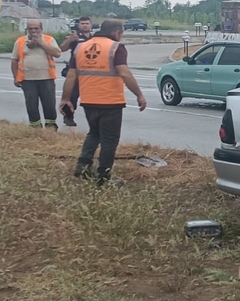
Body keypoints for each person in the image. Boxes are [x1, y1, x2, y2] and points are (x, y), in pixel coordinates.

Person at [60, 19, 147, 186]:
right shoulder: (116, 47)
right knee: (109, 140)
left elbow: (71, 76)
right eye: (121, 33)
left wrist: (65, 99)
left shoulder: (81, 47)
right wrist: (139, 95)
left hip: (88, 100)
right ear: (117, 32)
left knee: (94, 133)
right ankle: (103, 177)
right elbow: (125, 73)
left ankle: (83, 166)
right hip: (110, 101)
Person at [11, 19, 61, 130]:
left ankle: (51, 128)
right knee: (31, 105)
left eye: (36, 28)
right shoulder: (20, 42)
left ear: (41, 29)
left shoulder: (48, 40)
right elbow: (14, 60)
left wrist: (40, 43)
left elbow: (57, 54)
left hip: (47, 78)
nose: (33, 31)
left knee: (49, 105)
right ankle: (35, 128)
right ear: (27, 29)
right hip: (27, 79)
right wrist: (15, 78)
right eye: (30, 28)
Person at [59, 16, 94, 126]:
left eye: (87, 23)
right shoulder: (74, 37)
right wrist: (69, 39)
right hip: (76, 69)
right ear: (79, 25)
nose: (85, 25)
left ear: (91, 25)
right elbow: (62, 48)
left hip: (90, 69)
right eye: (82, 23)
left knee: (91, 95)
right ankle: (68, 117)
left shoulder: (94, 38)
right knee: (72, 95)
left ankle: (93, 118)